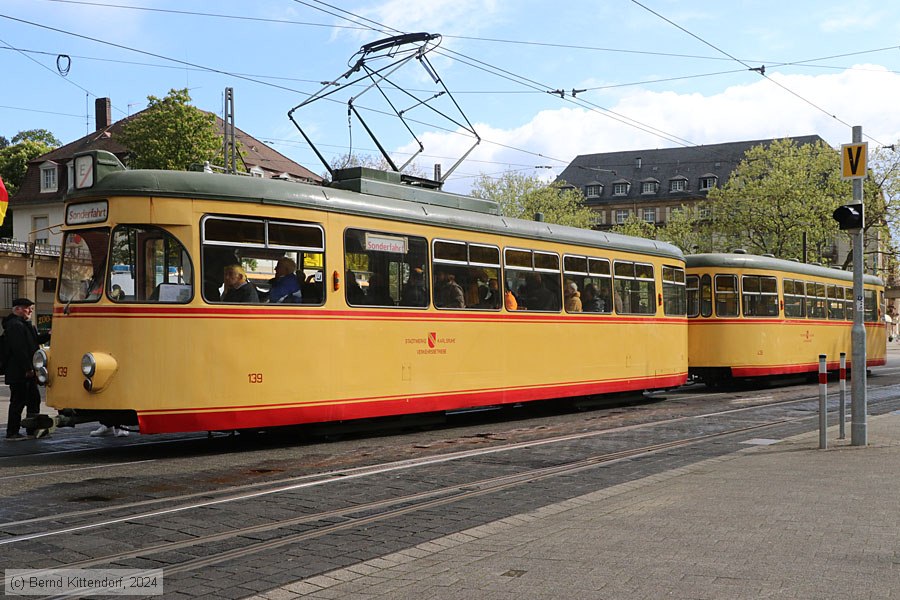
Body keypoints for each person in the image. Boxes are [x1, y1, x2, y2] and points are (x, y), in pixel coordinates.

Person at [4, 298, 50, 441]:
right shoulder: (15, 325)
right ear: (17, 309)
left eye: (31, 308)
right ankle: (12, 432)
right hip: (19, 371)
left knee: (33, 399)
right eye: (27, 308)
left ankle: (32, 429)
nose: (30, 311)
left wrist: (48, 335)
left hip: (28, 371)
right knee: (18, 401)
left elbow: (34, 342)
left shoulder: (25, 324)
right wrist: (28, 368)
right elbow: (20, 349)